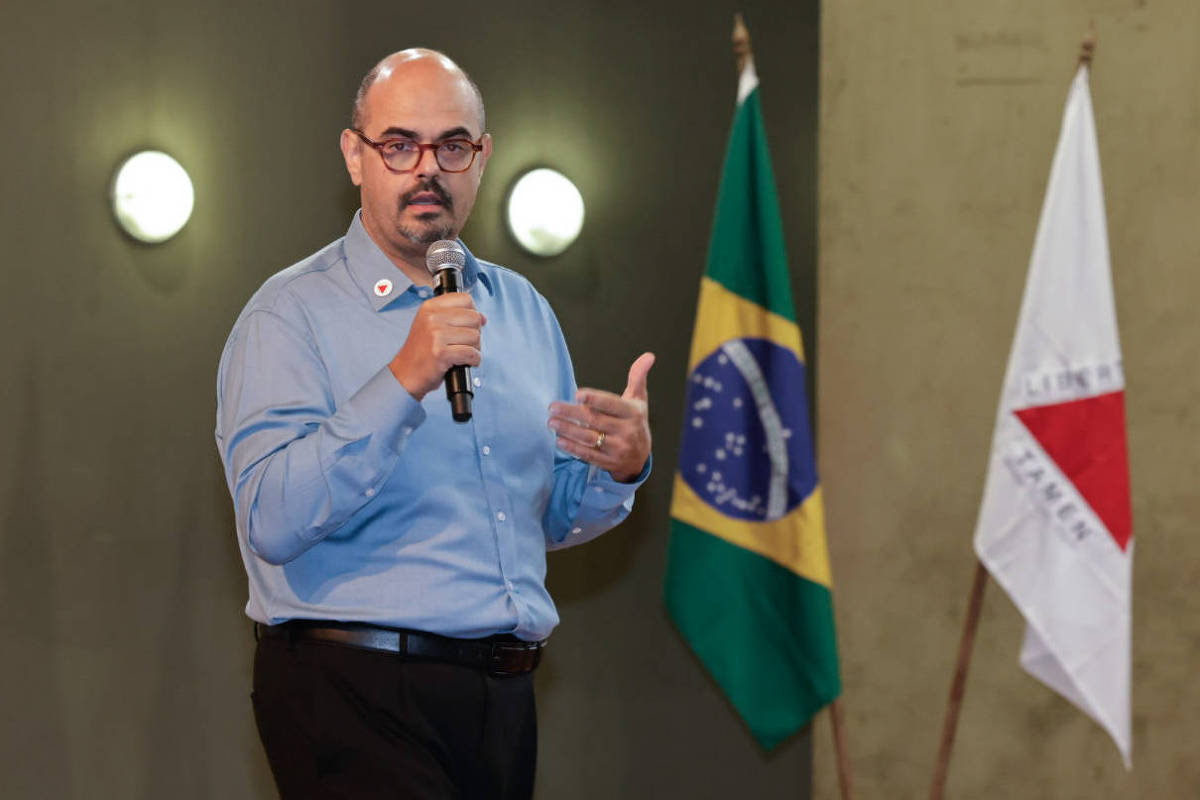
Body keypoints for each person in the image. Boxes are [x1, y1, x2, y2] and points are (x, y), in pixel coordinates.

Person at [215, 48, 653, 799]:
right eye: (399, 145)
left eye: (452, 146)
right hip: (351, 688)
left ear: (482, 158)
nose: (428, 169)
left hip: (500, 698)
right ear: (355, 155)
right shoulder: (288, 315)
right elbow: (270, 519)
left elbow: (543, 517)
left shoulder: (522, 310)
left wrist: (620, 467)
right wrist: (402, 379)